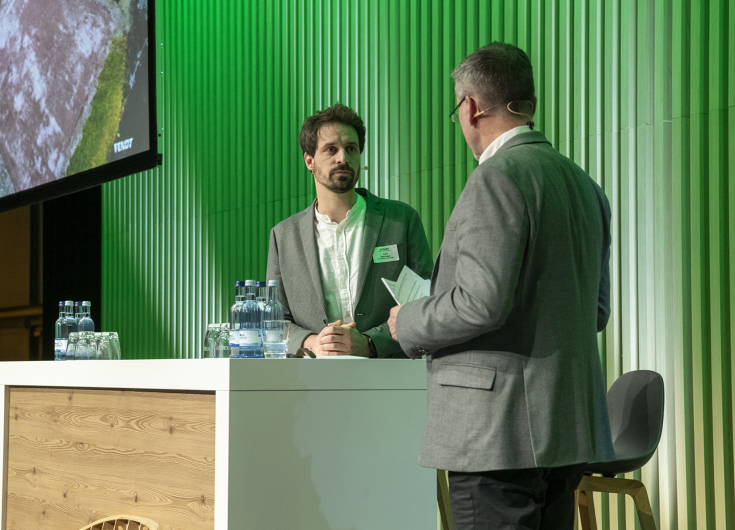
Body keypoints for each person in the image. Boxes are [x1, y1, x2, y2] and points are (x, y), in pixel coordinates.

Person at [388, 42, 615, 529]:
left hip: (495, 432)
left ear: (470, 107)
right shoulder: (586, 186)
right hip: (567, 428)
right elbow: (596, 311)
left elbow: (479, 303)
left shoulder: (495, 178)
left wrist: (407, 319)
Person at [267, 103, 433, 357]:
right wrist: (312, 342)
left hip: (391, 373)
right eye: (331, 149)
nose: (343, 158)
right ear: (309, 160)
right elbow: (274, 321)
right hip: (312, 375)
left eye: (351, 149)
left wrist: (370, 343)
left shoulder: (401, 220)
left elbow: (425, 304)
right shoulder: (284, 236)